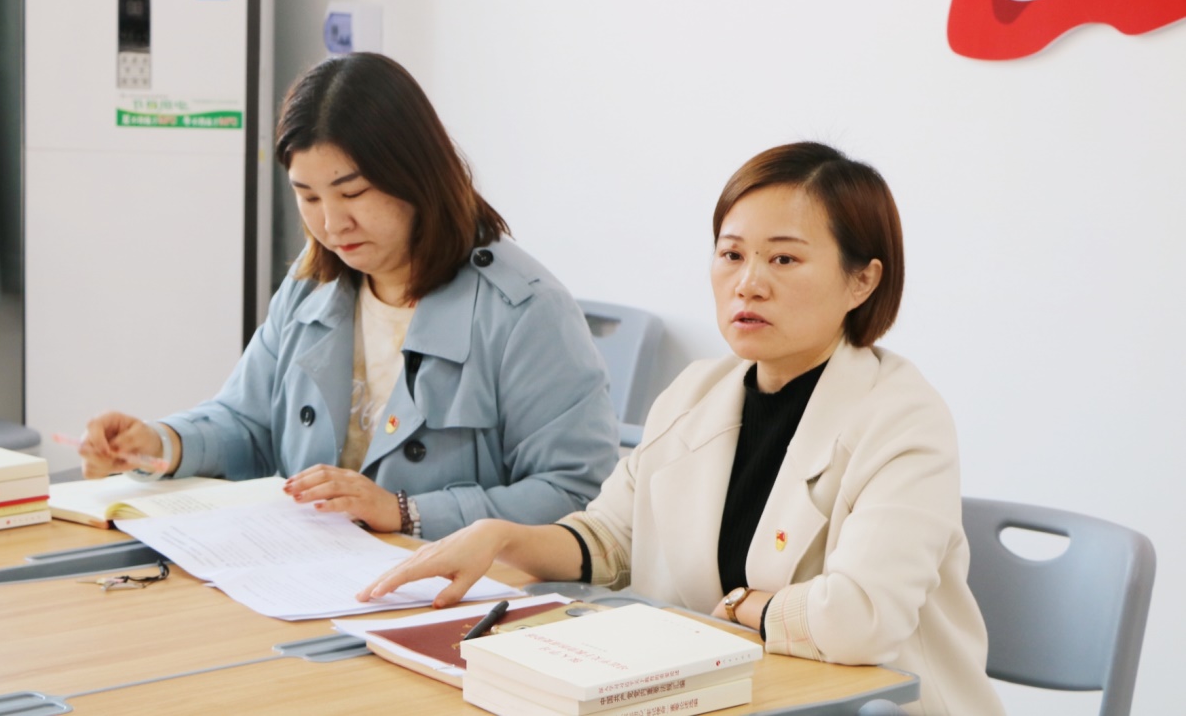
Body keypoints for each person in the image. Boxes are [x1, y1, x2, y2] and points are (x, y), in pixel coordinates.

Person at [359, 142, 1004, 715]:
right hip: (722, 696)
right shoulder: (696, 392)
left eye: (784, 259)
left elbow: (862, 619)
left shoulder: (902, 418)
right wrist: (502, 538)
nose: (748, 283)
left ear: (862, 280)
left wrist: (740, 607)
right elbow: (611, 540)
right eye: (732, 254)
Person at [79, 52, 619, 540]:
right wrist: (161, 442)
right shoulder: (311, 285)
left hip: (457, 595)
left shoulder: (525, 312)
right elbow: (248, 422)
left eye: (353, 193)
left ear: (417, 177)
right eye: (308, 197)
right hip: (310, 575)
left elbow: (577, 497)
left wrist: (406, 512)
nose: (332, 225)